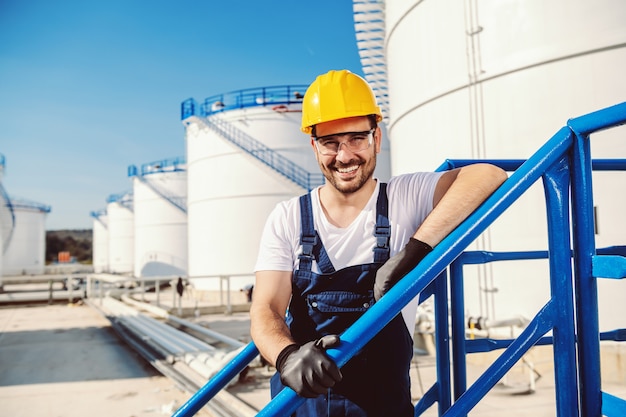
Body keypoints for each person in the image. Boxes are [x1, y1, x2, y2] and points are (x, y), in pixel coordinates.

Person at [250, 69, 507, 416]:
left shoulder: (405, 197)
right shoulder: (288, 217)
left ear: (377, 139)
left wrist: (414, 252)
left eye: (357, 138)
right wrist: (287, 355)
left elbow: (487, 176)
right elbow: (265, 308)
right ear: (314, 147)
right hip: (300, 405)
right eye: (330, 143)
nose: (344, 156)